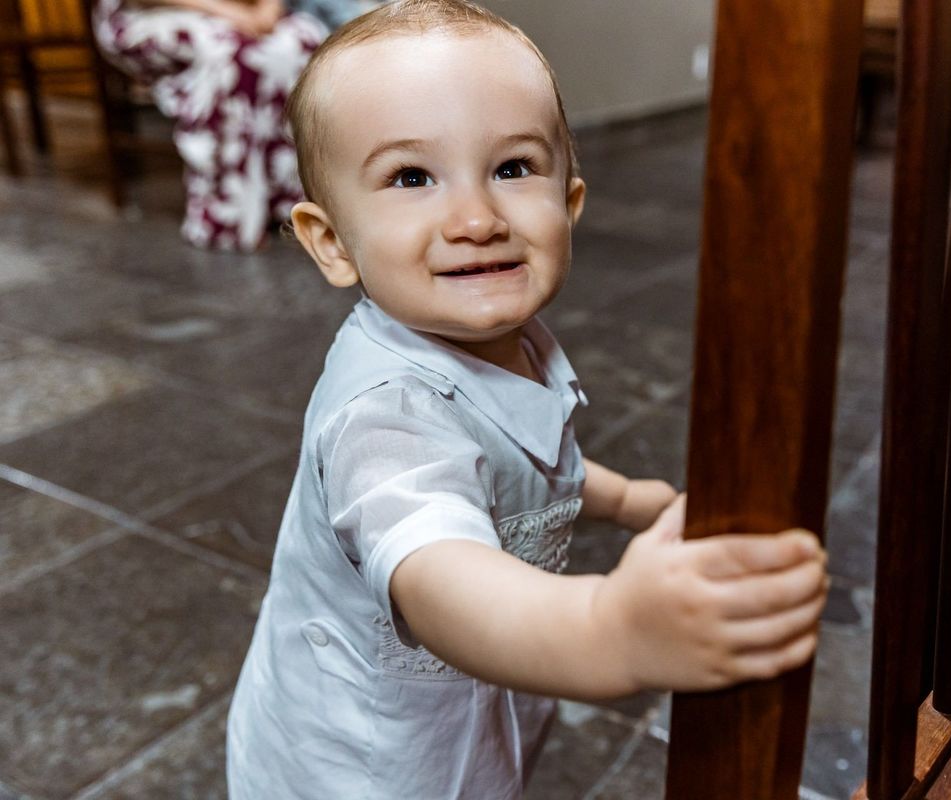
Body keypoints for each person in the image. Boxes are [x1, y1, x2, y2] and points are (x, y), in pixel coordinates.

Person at [225, 1, 830, 797]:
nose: (476, 219)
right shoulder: (384, 422)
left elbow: (528, 461)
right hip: (355, 769)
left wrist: (628, 500)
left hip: (461, 729)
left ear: (568, 206)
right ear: (333, 242)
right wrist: (612, 632)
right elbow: (440, 582)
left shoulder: (512, 341)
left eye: (512, 168)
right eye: (411, 177)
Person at [92, 0, 327, 251]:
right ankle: (228, 212)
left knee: (307, 37)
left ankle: (290, 198)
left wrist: (267, 11)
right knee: (232, 54)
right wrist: (229, 12)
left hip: (242, 10)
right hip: (147, 11)